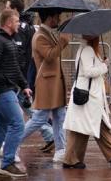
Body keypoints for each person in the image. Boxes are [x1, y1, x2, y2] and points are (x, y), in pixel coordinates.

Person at [63, 34, 111, 170]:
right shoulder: (88, 50)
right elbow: (88, 71)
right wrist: (104, 66)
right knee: (85, 127)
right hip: (88, 96)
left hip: (87, 94)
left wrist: (101, 64)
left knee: (84, 127)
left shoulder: (85, 49)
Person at [0, 9, 33, 177]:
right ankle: (8, 162)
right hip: (3, 91)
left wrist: (24, 84)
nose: (19, 23)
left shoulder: (7, 41)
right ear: (9, 23)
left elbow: (14, 68)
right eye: (17, 21)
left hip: (6, 89)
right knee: (18, 125)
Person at [19, 8, 70, 163]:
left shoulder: (46, 33)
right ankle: (11, 143)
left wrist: (61, 41)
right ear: (50, 18)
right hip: (47, 83)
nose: (59, 19)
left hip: (54, 83)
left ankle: (61, 150)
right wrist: (63, 41)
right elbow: (49, 56)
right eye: (57, 16)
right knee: (39, 118)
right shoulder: (40, 36)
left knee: (59, 117)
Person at [5, 0, 36, 85]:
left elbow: (19, 53)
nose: (5, 10)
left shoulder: (20, 28)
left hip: (19, 77)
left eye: (7, 8)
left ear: (14, 10)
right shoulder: (28, 25)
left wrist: (15, 76)